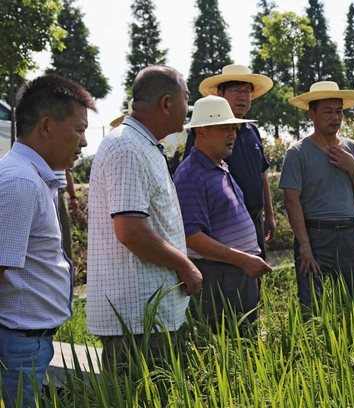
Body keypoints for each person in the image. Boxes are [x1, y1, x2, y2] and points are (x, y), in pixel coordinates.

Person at [86, 65, 203, 368]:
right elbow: (131, 231)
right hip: (137, 320)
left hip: (151, 315)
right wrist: (184, 264)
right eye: (185, 98)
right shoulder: (127, 146)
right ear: (166, 103)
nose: (187, 108)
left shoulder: (143, 144)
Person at [0, 75, 95, 407]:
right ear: (46, 127)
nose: (83, 142)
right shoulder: (21, 182)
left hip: (27, 342)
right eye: (79, 129)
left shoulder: (32, 177)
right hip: (19, 344)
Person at [174, 95, 272, 331]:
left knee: (244, 343)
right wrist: (244, 260)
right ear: (202, 132)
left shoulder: (220, 166)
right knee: (226, 346)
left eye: (234, 129)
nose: (232, 135)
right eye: (224, 129)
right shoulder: (191, 175)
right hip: (219, 278)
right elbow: (192, 237)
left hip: (237, 274)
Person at [279, 81, 354, 306]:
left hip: (349, 235)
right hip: (315, 235)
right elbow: (292, 201)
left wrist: (353, 169)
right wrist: (304, 245)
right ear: (312, 114)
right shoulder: (298, 153)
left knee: (350, 304)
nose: (335, 117)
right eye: (328, 112)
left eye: (339, 112)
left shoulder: (353, 149)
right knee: (311, 304)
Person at [184, 64, 276, 260]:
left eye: (247, 91)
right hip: (223, 223)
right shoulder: (206, 132)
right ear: (220, 93)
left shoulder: (253, 131)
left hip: (254, 218)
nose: (243, 97)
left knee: (254, 276)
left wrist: (269, 213)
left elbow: (262, 173)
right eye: (236, 91)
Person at [55, 169, 78, 260]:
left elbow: (67, 170)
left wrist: (73, 196)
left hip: (61, 194)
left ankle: (67, 270)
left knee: (64, 237)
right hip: (42, 191)